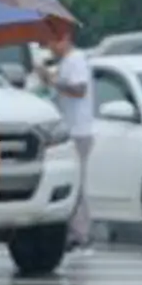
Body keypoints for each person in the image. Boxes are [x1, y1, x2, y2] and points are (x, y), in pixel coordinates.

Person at [39, 19, 93, 252]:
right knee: (72, 182)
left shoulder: (76, 59)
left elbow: (80, 89)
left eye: (52, 42)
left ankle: (81, 234)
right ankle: (73, 231)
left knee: (77, 184)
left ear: (64, 39)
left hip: (79, 131)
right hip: (69, 130)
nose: (50, 47)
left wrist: (52, 80)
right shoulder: (66, 62)